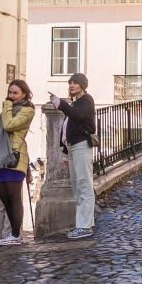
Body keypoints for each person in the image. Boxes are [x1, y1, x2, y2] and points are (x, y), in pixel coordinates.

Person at [0, 80, 36, 246]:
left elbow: (8, 125)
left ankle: (16, 234)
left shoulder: (27, 110)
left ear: (24, 93)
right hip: (1, 156)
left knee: (14, 197)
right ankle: (11, 234)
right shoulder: (9, 109)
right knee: (4, 198)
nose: (11, 96)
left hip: (15, 157)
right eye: (10, 93)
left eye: (15, 93)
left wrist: (6, 106)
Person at [50, 73, 97, 240]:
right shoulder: (76, 103)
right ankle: (84, 224)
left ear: (82, 86)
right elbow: (66, 128)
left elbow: (77, 116)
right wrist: (64, 151)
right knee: (78, 187)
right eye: (70, 82)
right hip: (72, 147)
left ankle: (84, 227)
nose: (71, 85)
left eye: (75, 83)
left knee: (84, 184)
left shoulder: (86, 100)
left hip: (81, 146)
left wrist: (61, 104)